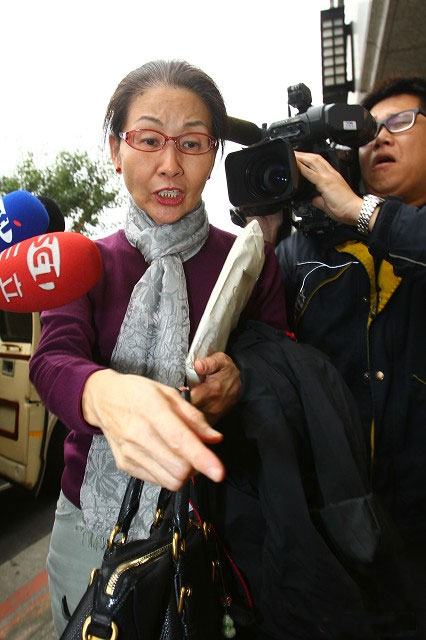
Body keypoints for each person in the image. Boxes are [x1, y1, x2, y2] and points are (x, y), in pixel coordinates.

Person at [29, 59, 286, 636]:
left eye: (192, 143)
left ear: (214, 154)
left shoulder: (249, 262)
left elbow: (280, 360)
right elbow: (53, 360)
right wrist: (106, 395)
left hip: (214, 519)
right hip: (89, 522)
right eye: (148, 139)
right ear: (116, 152)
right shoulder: (82, 261)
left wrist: (240, 378)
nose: (170, 164)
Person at [275, 76, 426, 637]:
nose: (380, 137)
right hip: (344, 542)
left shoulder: (382, 224)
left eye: (400, 122)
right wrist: (265, 230)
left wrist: (365, 214)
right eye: (368, 130)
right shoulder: (305, 253)